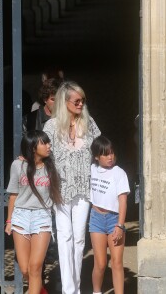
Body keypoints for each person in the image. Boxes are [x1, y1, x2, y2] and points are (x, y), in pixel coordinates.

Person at [43, 81, 101, 294]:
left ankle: (75, 287)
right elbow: (42, 155)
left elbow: (99, 149)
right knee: (64, 236)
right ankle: (69, 290)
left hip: (84, 189)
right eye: (77, 101)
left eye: (82, 100)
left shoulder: (89, 123)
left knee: (78, 238)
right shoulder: (51, 126)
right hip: (60, 189)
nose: (80, 104)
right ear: (64, 102)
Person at [5, 130, 63, 294]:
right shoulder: (17, 165)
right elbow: (13, 195)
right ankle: (39, 290)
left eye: (48, 142)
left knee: (35, 266)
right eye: (43, 143)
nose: (48, 146)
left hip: (41, 216)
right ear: (32, 147)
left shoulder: (52, 166)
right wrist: (9, 221)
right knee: (25, 269)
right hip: (20, 216)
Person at [89, 136, 130, 294]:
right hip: (96, 219)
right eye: (106, 154)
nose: (110, 157)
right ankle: (96, 291)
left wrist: (120, 225)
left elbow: (123, 201)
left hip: (114, 220)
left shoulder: (119, 173)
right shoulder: (92, 168)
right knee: (100, 263)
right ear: (97, 157)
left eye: (112, 153)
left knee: (117, 262)